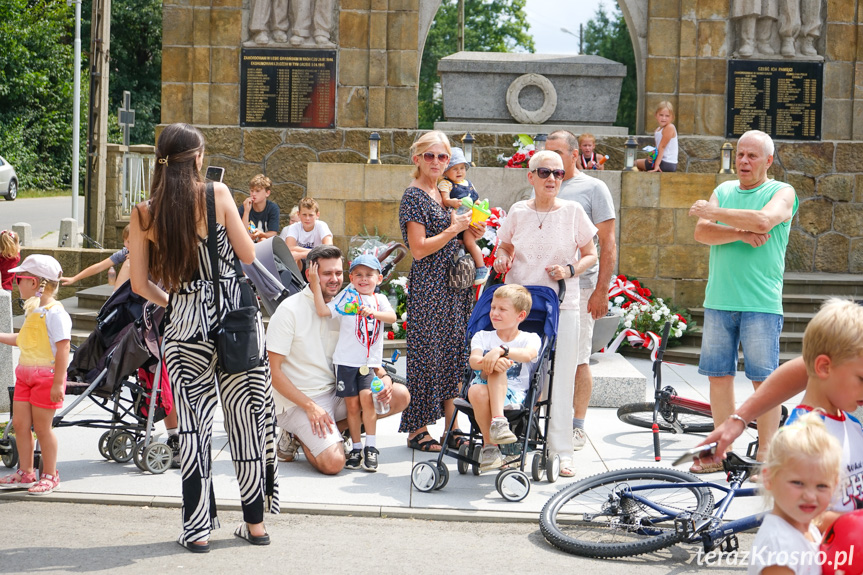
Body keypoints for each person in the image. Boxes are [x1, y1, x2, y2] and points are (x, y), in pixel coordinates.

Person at [129, 123, 278, 553]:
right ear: (196, 157)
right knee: (246, 421)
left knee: (193, 430)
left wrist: (178, 301)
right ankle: (255, 526)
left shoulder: (145, 212)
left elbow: (139, 283)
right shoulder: (217, 194)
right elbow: (248, 256)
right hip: (234, 316)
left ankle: (196, 530)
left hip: (185, 322)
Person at [688, 129, 798, 474]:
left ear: (768, 160)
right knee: (718, 377)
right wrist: (740, 233)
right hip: (719, 299)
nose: (744, 162)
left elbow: (765, 219)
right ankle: (721, 452)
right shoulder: (723, 190)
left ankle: (766, 455)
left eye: (752, 156)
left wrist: (714, 212)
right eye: (740, 155)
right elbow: (702, 232)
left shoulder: (781, 191)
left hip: (761, 303)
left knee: (764, 383)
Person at [493, 150, 598, 478]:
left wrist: (569, 269)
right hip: (520, 307)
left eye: (558, 173)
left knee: (563, 378)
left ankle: (561, 451)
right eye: (544, 173)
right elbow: (505, 245)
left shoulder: (573, 211)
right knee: (516, 375)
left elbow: (591, 255)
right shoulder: (518, 211)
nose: (552, 178)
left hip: (561, 305)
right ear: (531, 177)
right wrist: (500, 258)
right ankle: (514, 445)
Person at [266, 245, 410, 475]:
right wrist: (310, 406)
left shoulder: (347, 304)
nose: (334, 279)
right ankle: (297, 434)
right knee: (334, 463)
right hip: (302, 400)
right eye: (326, 274)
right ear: (310, 275)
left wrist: (382, 376)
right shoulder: (289, 310)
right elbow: (273, 373)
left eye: (338, 273)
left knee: (399, 396)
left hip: (339, 389)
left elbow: (362, 348)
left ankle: (328, 432)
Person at [398, 130, 479, 453]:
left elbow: (454, 237)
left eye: (442, 156)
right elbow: (418, 249)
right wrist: (453, 229)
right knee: (426, 355)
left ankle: (452, 425)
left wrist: (470, 230)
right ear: (417, 159)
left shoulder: (444, 194)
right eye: (429, 156)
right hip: (430, 285)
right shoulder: (414, 196)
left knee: (454, 354)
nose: (436, 162)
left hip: (454, 286)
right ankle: (417, 429)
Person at [545, 130, 617, 452]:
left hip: (583, 289)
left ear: (575, 154)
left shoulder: (593, 188)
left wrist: (602, 291)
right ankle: (544, 419)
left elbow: (608, 243)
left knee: (579, 359)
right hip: (544, 290)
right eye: (546, 153)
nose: (550, 160)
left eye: (557, 153)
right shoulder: (543, 183)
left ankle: (577, 425)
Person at [307, 253, 396, 472]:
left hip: (367, 363)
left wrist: (373, 313)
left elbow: (392, 318)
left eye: (369, 275)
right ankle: (356, 448)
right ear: (352, 277)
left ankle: (371, 447)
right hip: (345, 362)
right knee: (352, 406)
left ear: (379, 278)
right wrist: (315, 284)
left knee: (368, 401)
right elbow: (323, 311)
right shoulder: (347, 297)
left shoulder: (379, 300)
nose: (363, 279)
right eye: (358, 275)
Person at [0, 255, 70, 495]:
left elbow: (63, 349)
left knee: (42, 428)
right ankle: (26, 472)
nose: (15, 282)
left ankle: (50, 474)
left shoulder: (55, 313)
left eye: (18, 278)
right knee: (20, 424)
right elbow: (22, 340)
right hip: (25, 376)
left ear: (34, 282)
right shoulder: (34, 311)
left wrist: (58, 383)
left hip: (46, 377)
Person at [748, 413, 842, 575]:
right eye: (798, 483)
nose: (810, 496)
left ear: (834, 485)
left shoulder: (804, 526)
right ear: (769, 478)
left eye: (821, 486)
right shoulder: (779, 550)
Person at [468, 284, 540, 471]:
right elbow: (474, 360)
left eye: (502, 309)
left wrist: (501, 351)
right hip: (481, 391)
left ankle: (498, 423)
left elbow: (528, 355)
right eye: (493, 308)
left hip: (514, 395)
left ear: (520, 316)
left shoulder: (529, 338)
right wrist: (489, 359)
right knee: (477, 386)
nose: (495, 313)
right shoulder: (482, 336)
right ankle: (490, 444)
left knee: (500, 365)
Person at [437, 147, 488, 285]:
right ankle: (459, 272)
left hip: (469, 221)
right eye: (455, 168)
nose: (459, 171)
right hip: (457, 220)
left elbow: (476, 200)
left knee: (470, 242)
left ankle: (480, 267)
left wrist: (481, 205)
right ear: (446, 170)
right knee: (458, 245)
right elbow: (445, 199)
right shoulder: (446, 184)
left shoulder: (469, 184)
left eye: (462, 168)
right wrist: (453, 202)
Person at [61, 225, 131, 290]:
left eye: (129, 241)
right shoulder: (124, 253)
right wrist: (74, 278)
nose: (125, 244)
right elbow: (99, 266)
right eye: (124, 240)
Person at [280, 197, 333, 265]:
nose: (307, 218)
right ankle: (296, 276)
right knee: (292, 256)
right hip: (301, 263)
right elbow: (289, 248)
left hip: (317, 261)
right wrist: (316, 251)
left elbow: (329, 248)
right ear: (298, 214)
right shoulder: (294, 227)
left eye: (311, 215)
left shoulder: (322, 225)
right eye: (304, 215)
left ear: (317, 215)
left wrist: (301, 254)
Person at [637, 101, 678, 173]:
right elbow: (657, 149)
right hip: (660, 161)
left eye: (667, 116)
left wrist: (656, 166)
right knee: (638, 165)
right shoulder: (657, 130)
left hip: (667, 163)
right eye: (661, 115)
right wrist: (652, 158)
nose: (664, 118)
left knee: (634, 163)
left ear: (672, 117)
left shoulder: (670, 127)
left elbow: (662, 147)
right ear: (656, 115)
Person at [239, 174, 280, 243]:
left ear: (267, 193)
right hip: (247, 245)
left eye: (257, 191)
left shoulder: (273, 208)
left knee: (262, 240)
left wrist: (261, 234)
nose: (253, 194)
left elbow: (273, 234)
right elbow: (241, 233)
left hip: (265, 245)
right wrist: (246, 212)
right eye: (252, 191)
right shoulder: (244, 207)